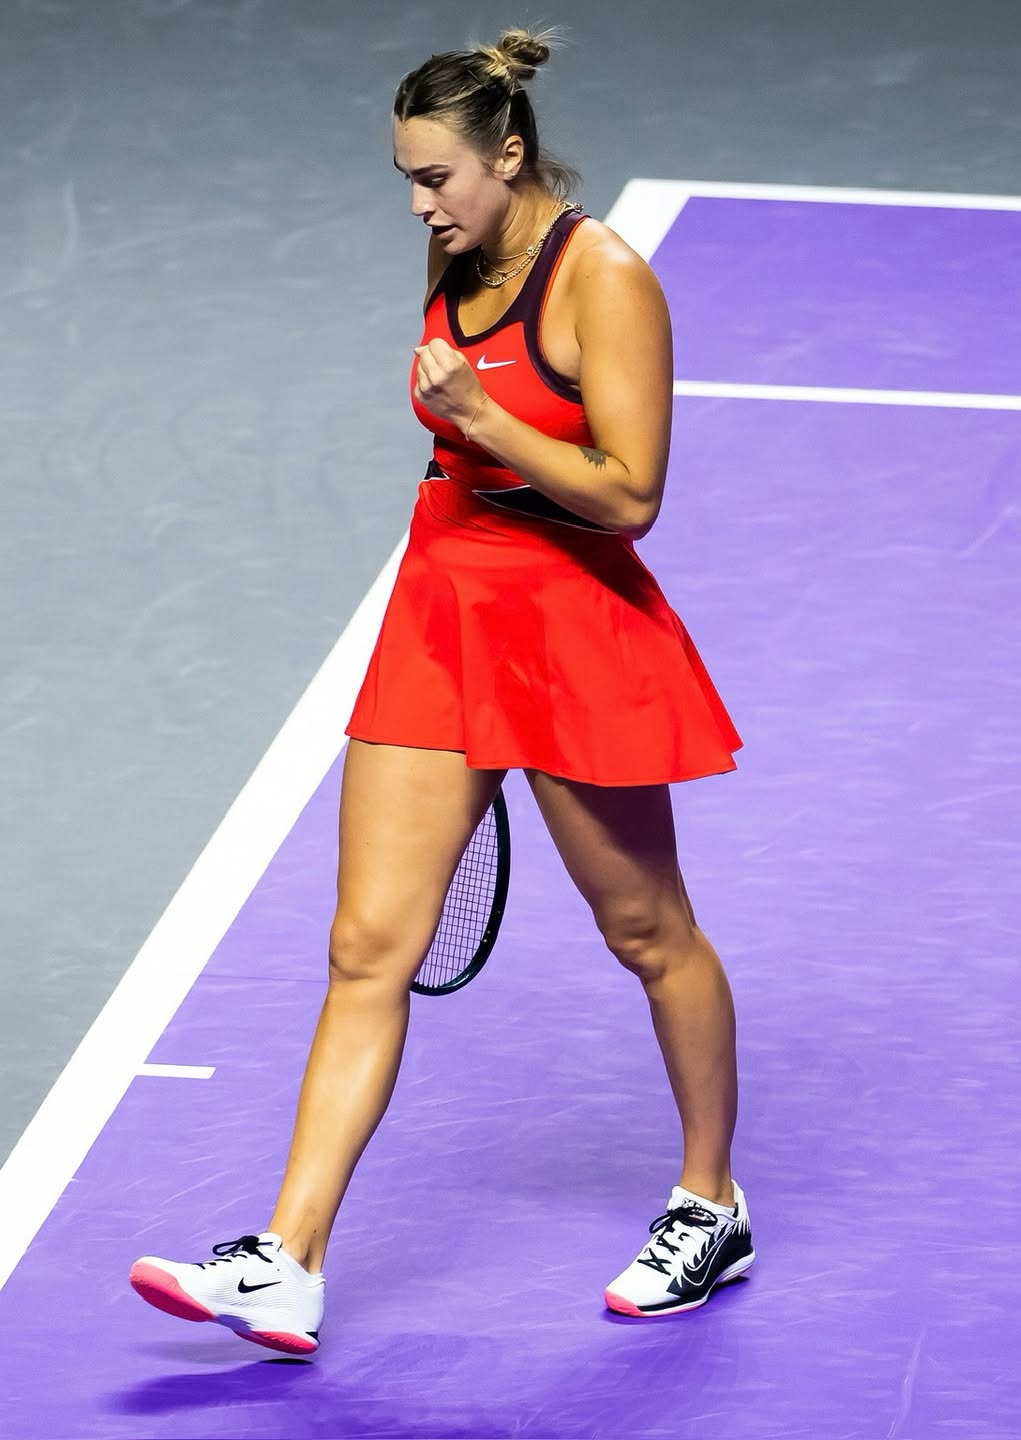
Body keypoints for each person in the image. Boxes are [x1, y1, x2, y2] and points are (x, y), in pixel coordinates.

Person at [129, 26, 754, 1355]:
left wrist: (489, 425)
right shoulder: (452, 252)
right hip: (443, 620)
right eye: (407, 180)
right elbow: (453, 430)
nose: (420, 205)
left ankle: (712, 1200)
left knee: (648, 933)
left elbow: (632, 497)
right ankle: (285, 1261)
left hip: (574, 630)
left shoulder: (607, 282)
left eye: (438, 178)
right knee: (367, 949)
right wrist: (458, 467)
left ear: (509, 155)